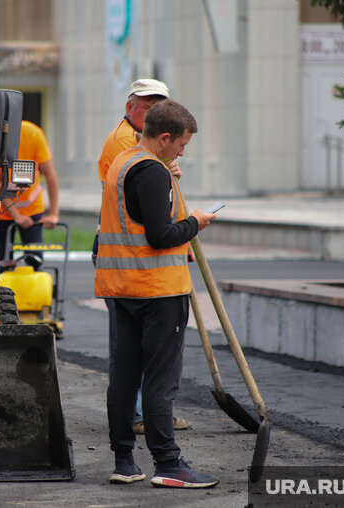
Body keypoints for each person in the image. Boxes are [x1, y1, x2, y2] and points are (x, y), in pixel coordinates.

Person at [95, 99, 219, 488]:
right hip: (157, 293)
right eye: (181, 144)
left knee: (125, 376)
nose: (183, 151)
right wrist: (195, 222)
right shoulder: (152, 173)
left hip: (124, 288)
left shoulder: (123, 161)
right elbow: (160, 235)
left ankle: (124, 462)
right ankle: (169, 464)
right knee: (160, 382)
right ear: (164, 138)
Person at [97, 78, 191, 436]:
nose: (153, 111)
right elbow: (159, 233)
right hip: (146, 279)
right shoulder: (133, 149)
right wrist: (194, 224)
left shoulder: (134, 152)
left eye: (159, 104)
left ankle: (124, 453)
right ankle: (159, 445)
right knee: (152, 369)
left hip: (129, 274)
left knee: (126, 365)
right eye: (148, 104)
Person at [0, 120, 60, 261]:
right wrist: (16, 215)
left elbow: (50, 176)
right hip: (3, 209)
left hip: (31, 208)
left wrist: (53, 214)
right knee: (0, 262)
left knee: (34, 259)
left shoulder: (33, 134)